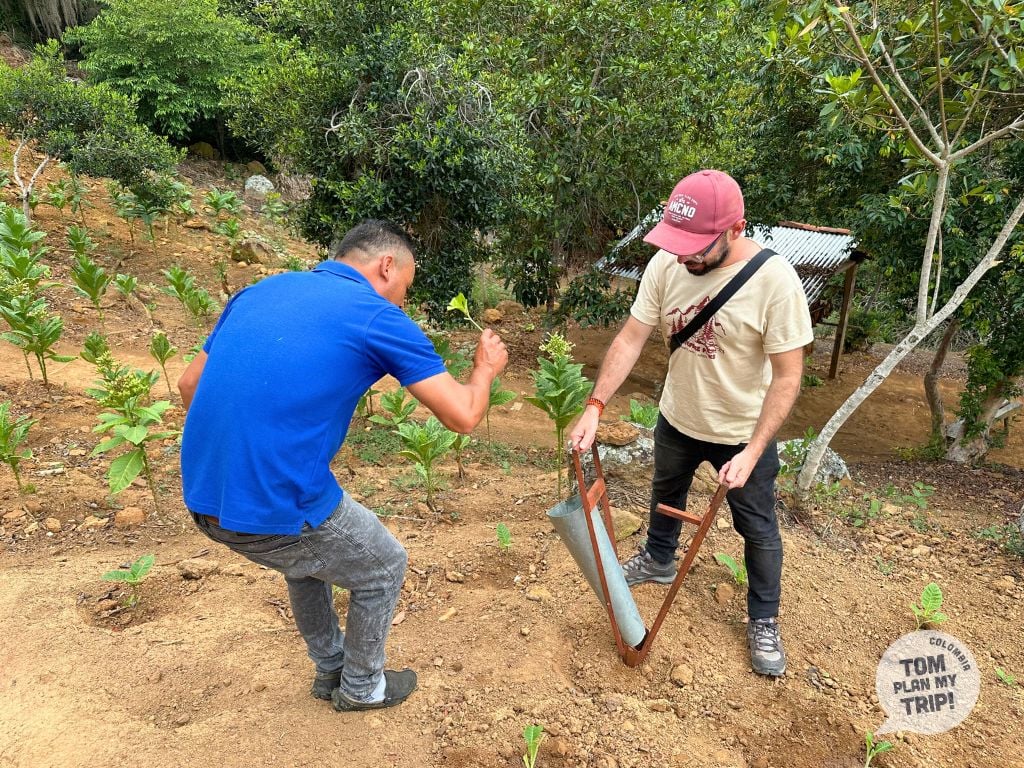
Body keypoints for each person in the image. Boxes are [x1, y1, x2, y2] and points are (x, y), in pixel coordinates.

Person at [178, 219, 508, 710]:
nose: (402, 302)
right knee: (383, 564)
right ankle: (362, 688)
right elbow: (463, 415)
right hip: (275, 503)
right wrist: (484, 371)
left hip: (204, 495)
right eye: (405, 289)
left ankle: (331, 669)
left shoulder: (258, 292)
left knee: (307, 558)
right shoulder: (377, 315)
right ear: (386, 266)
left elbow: (188, 387)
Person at [569, 170, 812, 676]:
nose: (685, 256)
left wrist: (752, 451)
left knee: (757, 526)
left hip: (743, 432)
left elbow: (789, 376)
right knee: (666, 491)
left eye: (697, 247)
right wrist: (595, 405)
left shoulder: (775, 281)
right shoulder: (666, 263)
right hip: (679, 415)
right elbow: (632, 337)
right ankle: (659, 557)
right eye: (679, 244)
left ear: (735, 229)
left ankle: (763, 618)